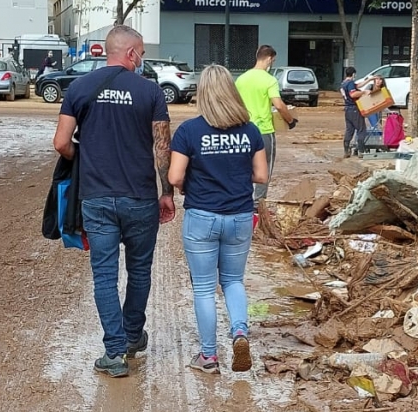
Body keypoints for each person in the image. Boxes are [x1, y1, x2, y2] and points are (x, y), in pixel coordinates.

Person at [53, 25, 175, 378]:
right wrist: (166, 192)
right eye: (142, 54)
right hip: (140, 198)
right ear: (132, 52)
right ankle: (134, 336)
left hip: (97, 198)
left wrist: (84, 154)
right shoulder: (150, 91)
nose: (142, 60)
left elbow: (61, 142)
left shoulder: (79, 87)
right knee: (139, 272)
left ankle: (115, 353)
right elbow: (161, 149)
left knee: (104, 277)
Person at [169, 64, 269, 374]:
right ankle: (239, 331)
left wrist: (192, 182)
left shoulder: (189, 131)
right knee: (233, 281)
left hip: (202, 216)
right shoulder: (250, 130)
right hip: (239, 216)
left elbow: (174, 177)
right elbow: (262, 175)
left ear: (202, 93)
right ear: (231, 92)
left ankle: (209, 356)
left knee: (203, 288)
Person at [235, 45, 297, 210]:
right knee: (265, 167)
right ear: (269, 58)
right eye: (273, 60)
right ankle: (258, 204)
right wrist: (290, 120)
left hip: (242, 131)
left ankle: (243, 200)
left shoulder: (241, 79)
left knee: (244, 167)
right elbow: (279, 105)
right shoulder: (269, 80)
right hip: (264, 131)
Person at [340, 67, 374, 158]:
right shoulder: (350, 83)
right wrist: (364, 92)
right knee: (361, 129)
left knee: (349, 130)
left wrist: (369, 80)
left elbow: (357, 85)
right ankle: (361, 151)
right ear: (353, 74)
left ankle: (346, 151)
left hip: (347, 109)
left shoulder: (344, 83)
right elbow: (353, 94)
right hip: (354, 108)